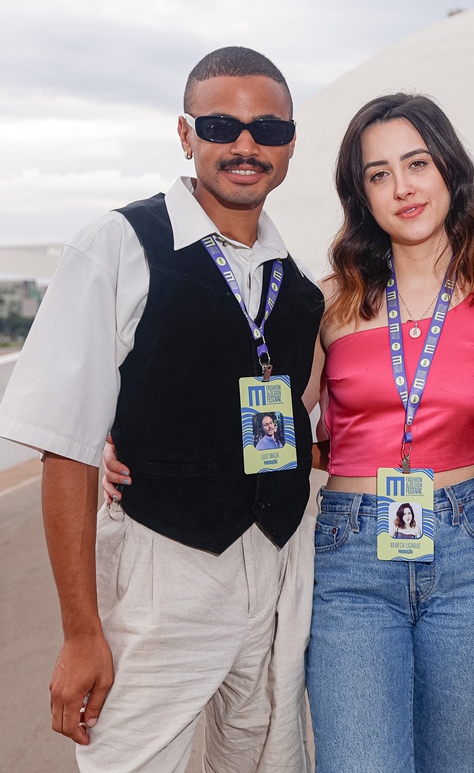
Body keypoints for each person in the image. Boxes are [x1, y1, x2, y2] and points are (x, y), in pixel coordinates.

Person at [0, 47, 320, 771]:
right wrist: (82, 632)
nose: (245, 145)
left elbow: (303, 421)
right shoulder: (116, 245)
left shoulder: (293, 282)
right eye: (220, 124)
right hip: (160, 571)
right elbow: (67, 445)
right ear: (186, 135)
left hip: (272, 571)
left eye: (268, 129)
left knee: (259, 758)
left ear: (291, 142)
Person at [305, 92, 474, 773]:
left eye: (416, 163)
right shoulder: (329, 302)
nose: (402, 187)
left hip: (472, 554)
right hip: (351, 558)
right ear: (361, 195)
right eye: (379, 174)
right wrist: (138, 444)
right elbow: (279, 424)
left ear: (449, 170)